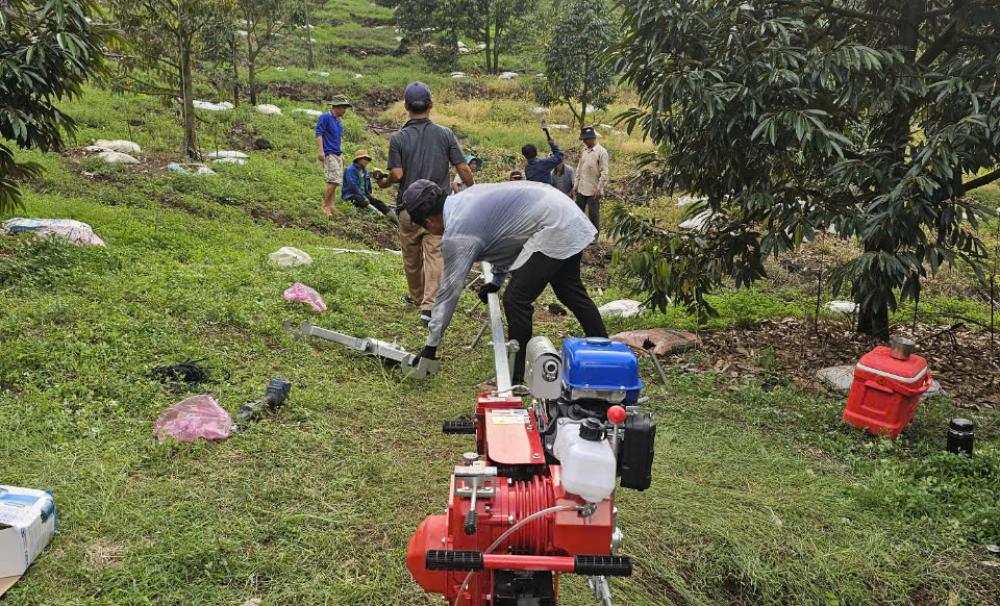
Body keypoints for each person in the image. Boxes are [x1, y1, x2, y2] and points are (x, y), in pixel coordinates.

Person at [400, 179, 608, 384]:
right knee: (570, 292)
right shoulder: (463, 200)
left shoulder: (458, 231)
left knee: (516, 300)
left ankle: (515, 377)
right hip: (565, 213)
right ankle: (604, 353)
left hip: (554, 225)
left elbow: (449, 292)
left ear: (429, 222)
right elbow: (504, 239)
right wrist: (497, 281)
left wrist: (431, 345)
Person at [376, 82, 475, 323]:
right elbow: (462, 168)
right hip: (437, 211)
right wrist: (473, 190)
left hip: (408, 209)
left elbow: (397, 175)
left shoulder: (399, 138)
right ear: (430, 105)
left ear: (406, 107)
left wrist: (384, 182)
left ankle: (417, 296)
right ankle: (429, 306)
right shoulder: (445, 134)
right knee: (435, 255)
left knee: (411, 257)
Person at [315, 96, 352, 217]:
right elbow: (319, 133)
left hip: (337, 153)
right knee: (334, 179)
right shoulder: (325, 117)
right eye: (343, 108)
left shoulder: (338, 122)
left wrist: (341, 154)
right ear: (337, 107)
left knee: (337, 180)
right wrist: (321, 151)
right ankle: (325, 205)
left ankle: (331, 205)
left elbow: (337, 139)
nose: (345, 110)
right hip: (329, 152)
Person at [342, 150, 398, 224]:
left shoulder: (364, 171)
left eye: (367, 159)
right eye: (365, 159)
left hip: (363, 195)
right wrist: (363, 196)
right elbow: (353, 187)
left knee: (379, 203)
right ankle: (378, 214)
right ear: (358, 159)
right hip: (351, 195)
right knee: (362, 199)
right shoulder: (350, 170)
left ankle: (397, 221)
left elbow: (373, 177)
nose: (367, 161)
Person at [572, 126, 608, 232]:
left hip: (593, 190)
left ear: (592, 138)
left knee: (593, 215)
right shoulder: (585, 151)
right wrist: (575, 186)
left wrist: (599, 188)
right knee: (578, 212)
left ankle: (594, 237)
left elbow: (604, 172)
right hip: (582, 188)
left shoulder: (601, 152)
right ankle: (579, 234)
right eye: (583, 140)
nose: (584, 142)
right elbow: (579, 170)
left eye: (585, 140)